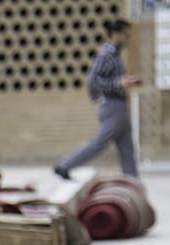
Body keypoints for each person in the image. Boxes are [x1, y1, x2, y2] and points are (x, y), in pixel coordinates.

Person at [55, 19, 142, 180]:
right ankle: (64, 165)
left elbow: (110, 79)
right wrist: (118, 83)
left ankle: (133, 181)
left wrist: (125, 81)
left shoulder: (114, 55)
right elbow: (93, 81)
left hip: (120, 107)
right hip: (112, 106)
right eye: (124, 35)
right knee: (100, 143)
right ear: (115, 34)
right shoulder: (106, 54)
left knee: (127, 148)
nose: (127, 39)